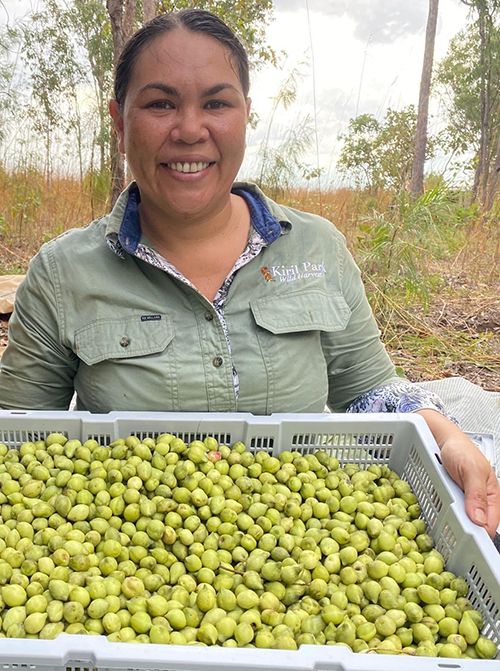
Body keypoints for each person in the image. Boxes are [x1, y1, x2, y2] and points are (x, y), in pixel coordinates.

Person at [0, 10, 498, 538]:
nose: (191, 130)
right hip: (118, 538)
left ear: (245, 116)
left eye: (216, 103)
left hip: (306, 534)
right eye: (161, 103)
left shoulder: (316, 246)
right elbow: (19, 442)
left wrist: (446, 435)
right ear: (119, 123)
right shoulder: (61, 274)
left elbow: (370, 395)